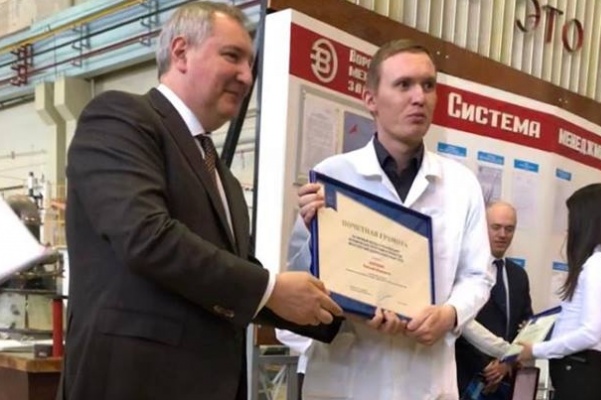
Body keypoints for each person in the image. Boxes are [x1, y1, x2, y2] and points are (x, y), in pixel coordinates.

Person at [60, 3, 342, 400]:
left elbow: (231, 276)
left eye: (250, 64)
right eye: (232, 56)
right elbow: (147, 237)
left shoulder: (223, 178)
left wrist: (342, 315)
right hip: (132, 383)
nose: (246, 77)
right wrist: (271, 288)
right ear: (180, 52)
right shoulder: (121, 118)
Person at [289, 39, 494, 399]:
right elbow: (299, 280)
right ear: (370, 99)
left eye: (428, 85)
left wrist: (449, 314)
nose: (419, 97)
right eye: (404, 84)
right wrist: (316, 235)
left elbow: (478, 275)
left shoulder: (461, 185)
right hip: (347, 376)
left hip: (425, 378)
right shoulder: (333, 177)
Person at [517, 183, 601, 400]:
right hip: (585, 374)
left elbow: (591, 333)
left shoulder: (597, 266)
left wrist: (535, 349)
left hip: (580, 377)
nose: (569, 230)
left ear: (586, 223)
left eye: (572, 221)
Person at [456, 201, 533, 398]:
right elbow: (459, 324)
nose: (503, 234)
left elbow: (526, 327)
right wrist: (486, 368)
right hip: (466, 379)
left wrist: (506, 363)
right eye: (496, 227)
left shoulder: (519, 276)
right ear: (483, 227)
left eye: (509, 229)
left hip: (505, 381)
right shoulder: (463, 270)